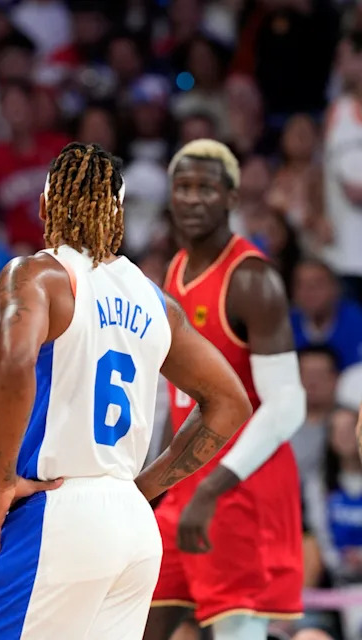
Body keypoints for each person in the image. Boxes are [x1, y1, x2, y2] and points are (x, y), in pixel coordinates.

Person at [0, 143, 252, 640]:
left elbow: (12, 360)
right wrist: (144, 488)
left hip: (58, 511)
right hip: (132, 529)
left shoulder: (38, 274)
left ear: (45, 205)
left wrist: (3, 473)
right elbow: (230, 402)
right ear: (118, 215)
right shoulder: (155, 299)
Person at [146, 139, 307, 640]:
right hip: (186, 482)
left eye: (206, 189)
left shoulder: (253, 279)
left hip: (239, 485)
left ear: (232, 198)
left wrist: (214, 487)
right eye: (183, 187)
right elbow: (171, 397)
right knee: (139, 617)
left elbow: (288, 404)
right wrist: (157, 481)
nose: (193, 199)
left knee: (236, 629)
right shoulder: (175, 269)